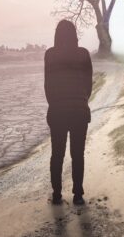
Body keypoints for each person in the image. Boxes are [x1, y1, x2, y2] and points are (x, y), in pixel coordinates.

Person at [44, 19, 93, 206]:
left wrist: (55, 104)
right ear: (75, 35)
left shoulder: (50, 54)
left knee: (57, 154)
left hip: (57, 111)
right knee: (77, 154)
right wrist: (81, 101)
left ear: (57, 35)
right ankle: (78, 195)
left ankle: (56, 195)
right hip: (79, 111)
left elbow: (48, 85)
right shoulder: (83, 54)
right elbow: (88, 84)